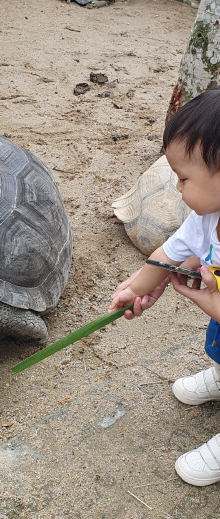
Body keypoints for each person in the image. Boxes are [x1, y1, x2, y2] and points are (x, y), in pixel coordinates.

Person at [108, 85, 220, 487]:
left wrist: (212, 306)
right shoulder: (207, 216)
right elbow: (169, 254)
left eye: (183, 178)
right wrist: (135, 287)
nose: (177, 187)